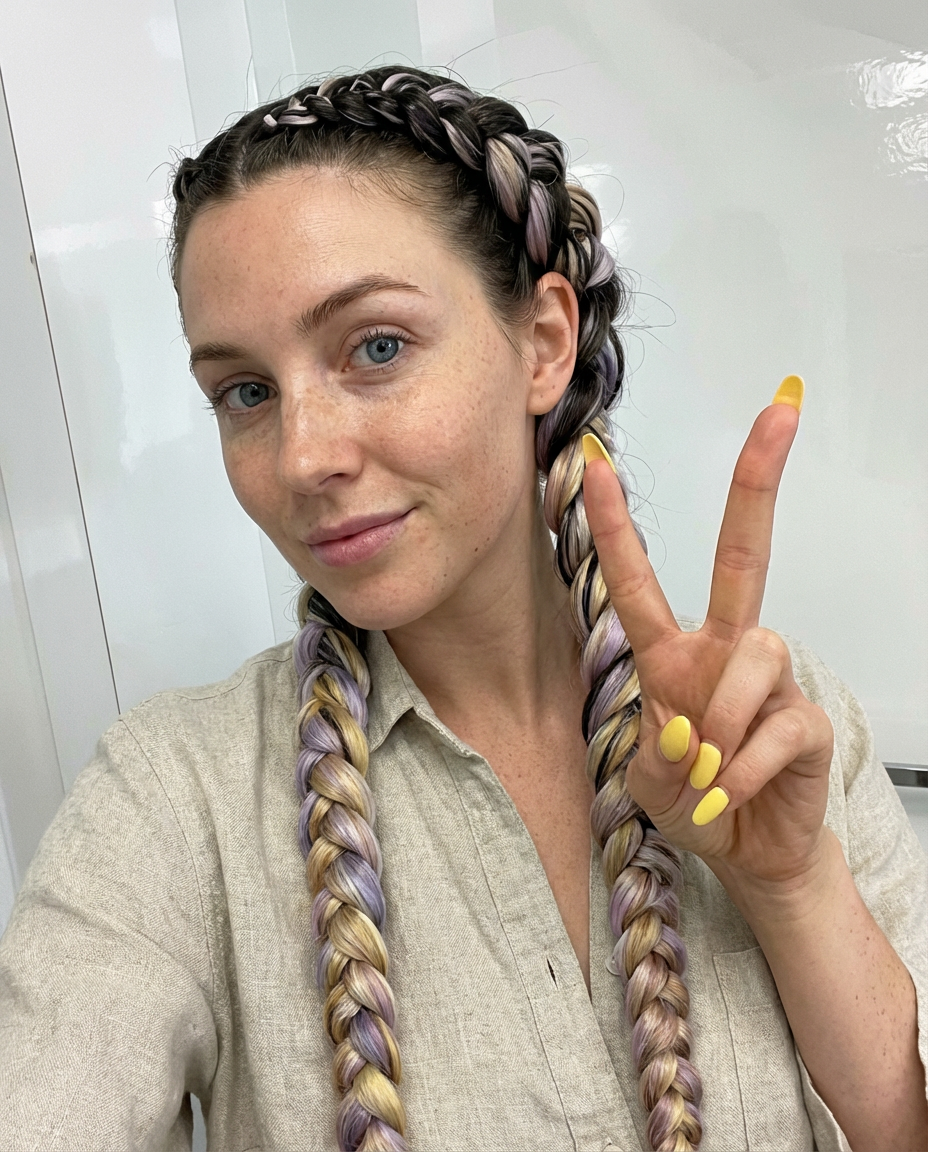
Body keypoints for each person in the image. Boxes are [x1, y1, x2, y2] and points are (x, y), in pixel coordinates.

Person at [0, 65, 925, 1152]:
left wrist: (792, 886)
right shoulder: (172, 804)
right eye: (245, 391)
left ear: (543, 343)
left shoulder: (782, 728)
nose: (301, 457)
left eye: (376, 347)